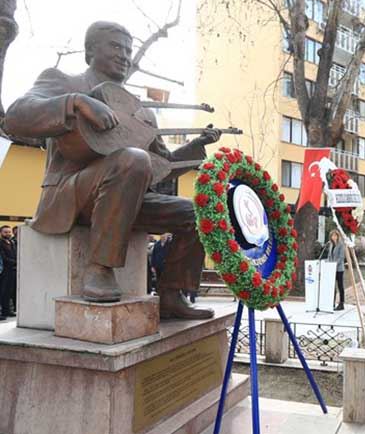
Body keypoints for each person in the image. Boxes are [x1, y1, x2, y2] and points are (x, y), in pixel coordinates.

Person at [4, 21, 221, 319]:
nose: (124, 56)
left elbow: (158, 169)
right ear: (90, 50)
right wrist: (76, 103)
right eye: (116, 47)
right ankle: (99, 269)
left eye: (128, 50)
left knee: (197, 212)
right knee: (133, 158)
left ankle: (172, 294)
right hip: (71, 194)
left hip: (124, 200)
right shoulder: (64, 82)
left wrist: (195, 147)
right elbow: (15, 117)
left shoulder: (139, 111)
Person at [0, 225, 17, 319]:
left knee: (9, 292)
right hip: (3, 271)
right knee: (2, 292)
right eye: (5, 232)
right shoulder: (0, 243)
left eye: (9, 232)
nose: (8, 234)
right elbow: (4, 258)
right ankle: (2, 312)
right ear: (1, 233)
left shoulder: (12, 243)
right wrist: (16, 262)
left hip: (12, 270)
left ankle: (7, 311)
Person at [327, 229, 346, 311]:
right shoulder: (331, 244)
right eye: (332, 235)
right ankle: (332, 303)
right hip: (331, 269)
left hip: (339, 269)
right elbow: (329, 256)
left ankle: (341, 303)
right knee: (332, 286)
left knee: (340, 286)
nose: (334, 237)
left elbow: (341, 257)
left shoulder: (341, 245)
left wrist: (334, 264)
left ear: (338, 236)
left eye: (335, 235)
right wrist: (328, 263)